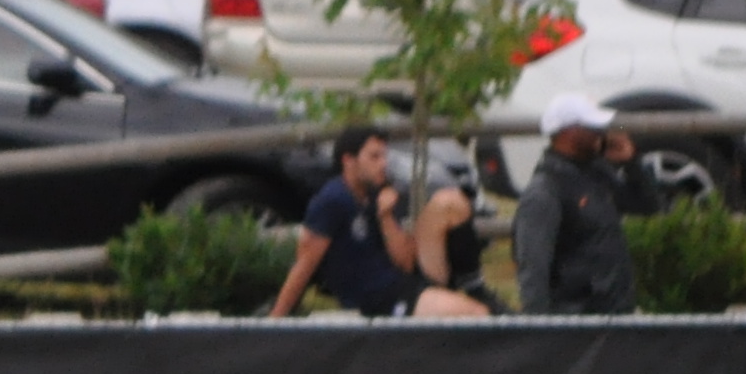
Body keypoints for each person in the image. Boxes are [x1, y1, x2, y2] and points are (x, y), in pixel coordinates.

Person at [272, 125, 486, 319]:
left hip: (405, 283)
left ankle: (475, 287)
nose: (383, 163)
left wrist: (386, 217)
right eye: (374, 157)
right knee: (475, 315)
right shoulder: (332, 200)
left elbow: (406, 261)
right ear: (349, 160)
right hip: (379, 300)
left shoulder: (376, 194)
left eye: (384, 156)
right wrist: (276, 320)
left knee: (452, 201)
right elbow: (304, 264)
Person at [513, 91, 643, 315]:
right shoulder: (545, 191)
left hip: (614, 313)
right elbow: (533, 269)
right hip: (578, 321)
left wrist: (632, 164)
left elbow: (647, 207)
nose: (600, 134)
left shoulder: (597, 172)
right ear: (570, 132)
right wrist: (541, 331)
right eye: (592, 127)